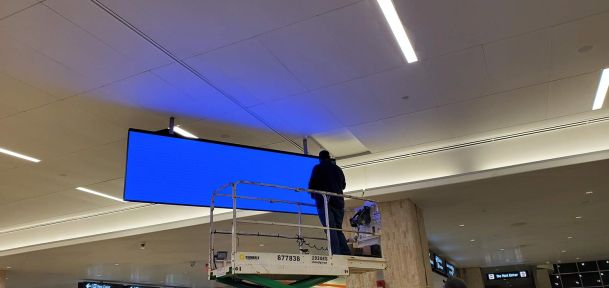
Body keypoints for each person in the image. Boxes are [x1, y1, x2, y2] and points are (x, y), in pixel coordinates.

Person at [308, 150, 350, 255]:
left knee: (330, 230)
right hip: (339, 202)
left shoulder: (318, 168)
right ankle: (345, 252)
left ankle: (336, 254)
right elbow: (343, 185)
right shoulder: (337, 169)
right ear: (329, 157)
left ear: (320, 158)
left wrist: (315, 196)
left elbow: (312, 186)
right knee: (337, 229)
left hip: (325, 203)